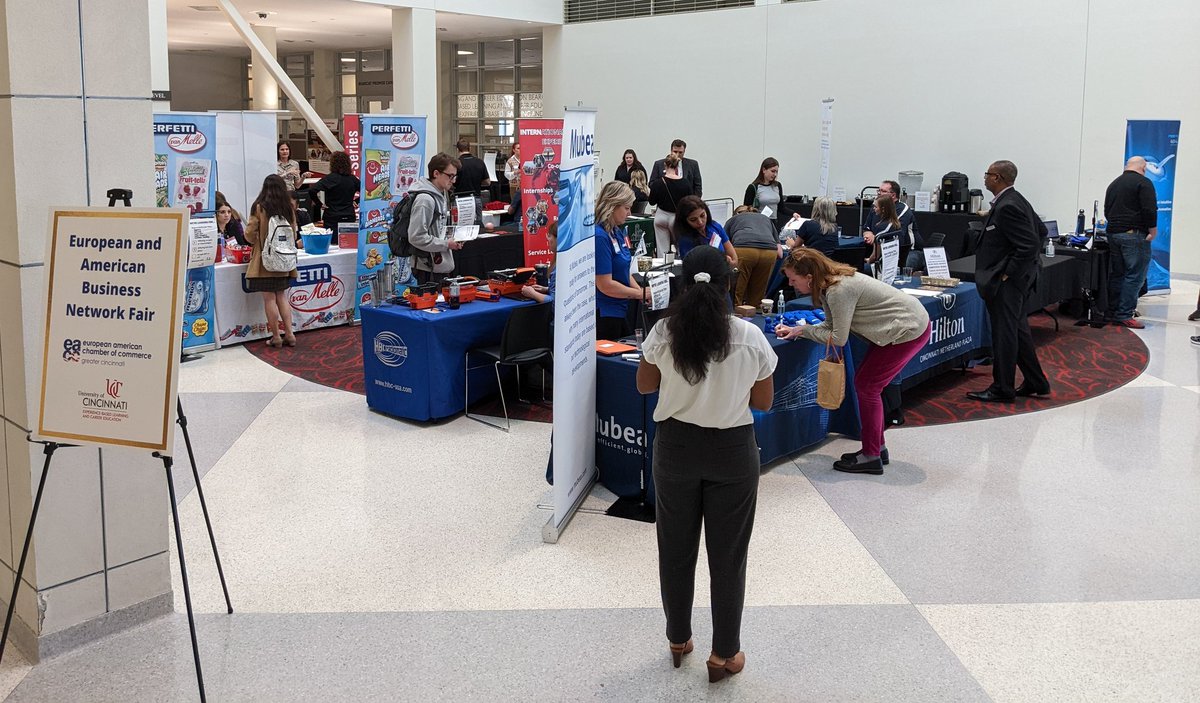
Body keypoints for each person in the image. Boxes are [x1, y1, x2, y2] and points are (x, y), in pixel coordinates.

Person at [635, 245, 776, 682]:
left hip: (675, 448)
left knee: (675, 550)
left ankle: (678, 638)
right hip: (732, 452)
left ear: (681, 281)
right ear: (728, 283)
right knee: (728, 557)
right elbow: (763, 401)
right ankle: (725, 654)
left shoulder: (663, 332)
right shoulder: (749, 336)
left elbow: (644, 386)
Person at [775, 248, 930, 474]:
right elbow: (831, 326)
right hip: (901, 327)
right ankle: (877, 448)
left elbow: (838, 337)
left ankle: (871, 455)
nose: (790, 284)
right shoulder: (831, 284)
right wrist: (800, 330)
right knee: (866, 386)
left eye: (793, 279)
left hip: (906, 330)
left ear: (809, 277)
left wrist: (804, 331)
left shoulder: (838, 291)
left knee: (867, 388)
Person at [967, 160, 1051, 403]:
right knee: (1018, 330)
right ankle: (1036, 381)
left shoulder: (1008, 206)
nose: (984, 178)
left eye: (987, 174)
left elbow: (1029, 244)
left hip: (1007, 282)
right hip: (1018, 280)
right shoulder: (1016, 199)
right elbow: (1042, 232)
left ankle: (1002, 387)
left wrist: (1008, 273)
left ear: (998, 178)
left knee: (1004, 335)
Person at [243, 174, 298, 348]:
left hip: (264, 261)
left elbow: (249, 234)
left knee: (269, 299)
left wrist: (258, 240)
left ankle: (276, 336)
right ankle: (289, 334)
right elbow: (294, 233)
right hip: (284, 260)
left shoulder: (259, 207)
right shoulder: (287, 208)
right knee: (282, 296)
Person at [1103, 156, 1158, 329]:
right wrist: (1152, 230)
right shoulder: (1144, 183)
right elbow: (1149, 209)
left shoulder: (1114, 184)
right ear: (1143, 168)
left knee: (1117, 274)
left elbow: (1107, 209)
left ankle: (1112, 312)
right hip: (1134, 235)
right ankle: (1125, 314)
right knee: (1134, 276)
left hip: (1113, 234)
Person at [594, 181, 647, 340]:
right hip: (606, 311)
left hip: (621, 307)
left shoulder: (616, 230)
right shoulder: (600, 236)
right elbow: (605, 285)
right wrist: (639, 293)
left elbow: (624, 270)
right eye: (626, 208)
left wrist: (641, 293)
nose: (629, 212)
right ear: (613, 205)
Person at [407, 152, 463, 284]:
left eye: (455, 176)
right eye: (450, 176)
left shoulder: (440, 195)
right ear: (436, 173)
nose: (453, 180)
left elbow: (437, 230)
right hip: (427, 270)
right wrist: (446, 244)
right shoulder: (425, 200)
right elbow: (416, 236)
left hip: (438, 266)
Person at [725, 205, 781, 306]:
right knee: (758, 293)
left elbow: (725, 245)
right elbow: (780, 254)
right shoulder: (766, 219)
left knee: (737, 291)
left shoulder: (733, 219)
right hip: (769, 252)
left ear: (735, 213)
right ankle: (754, 315)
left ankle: (736, 314)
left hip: (744, 249)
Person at [864, 180, 923, 269]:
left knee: (904, 266)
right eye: (879, 190)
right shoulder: (875, 208)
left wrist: (876, 237)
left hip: (908, 250)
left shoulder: (903, 208)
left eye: (883, 191)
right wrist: (868, 234)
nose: (879, 193)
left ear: (893, 195)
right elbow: (867, 227)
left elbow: (891, 229)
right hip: (882, 249)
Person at [647, 153, 694, 256]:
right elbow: (690, 202)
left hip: (661, 216)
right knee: (680, 247)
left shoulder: (658, 183)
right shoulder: (685, 183)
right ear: (677, 165)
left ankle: (663, 269)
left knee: (661, 250)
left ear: (665, 164)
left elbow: (651, 202)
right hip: (677, 217)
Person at [672, 195, 738, 268]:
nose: (700, 222)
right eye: (693, 220)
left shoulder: (715, 226)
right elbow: (692, 266)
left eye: (702, 215)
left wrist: (731, 262)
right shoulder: (685, 239)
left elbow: (733, 256)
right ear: (684, 221)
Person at [308, 151, 359, 233]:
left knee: (331, 242)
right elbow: (365, 192)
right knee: (348, 241)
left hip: (332, 215)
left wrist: (319, 204)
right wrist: (356, 201)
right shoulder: (352, 179)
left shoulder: (329, 179)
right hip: (348, 214)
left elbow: (312, 190)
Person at [522, 222, 557, 305]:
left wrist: (533, 294)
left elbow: (555, 303)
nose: (548, 239)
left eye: (550, 236)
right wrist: (547, 289)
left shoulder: (558, 269)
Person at [864, 195, 902, 269]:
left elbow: (875, 256)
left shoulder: (882, 228)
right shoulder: (896, 224)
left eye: (875, 207)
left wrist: (868, 261)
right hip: (892, 264)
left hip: (881, 267)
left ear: (883, 209)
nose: (873, 209)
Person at [742, 158, 783, 226]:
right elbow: (746, 209)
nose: (775, 174)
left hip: (774, 222)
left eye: (776, 172)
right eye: (772, 171)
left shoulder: (777, 185)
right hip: (759, 223)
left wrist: (793, 213)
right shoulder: (753, 187)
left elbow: (781, 207)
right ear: (764, 170)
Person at [504, 142, 522, 216]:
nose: (520, 150)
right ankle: (516, 219)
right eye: (518, 148)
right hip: (514, 186)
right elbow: (506, 174)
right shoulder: (510, 161)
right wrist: (515, 173)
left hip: (524, 186)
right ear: (514, 150)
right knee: (515, 204)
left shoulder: (525, 158)